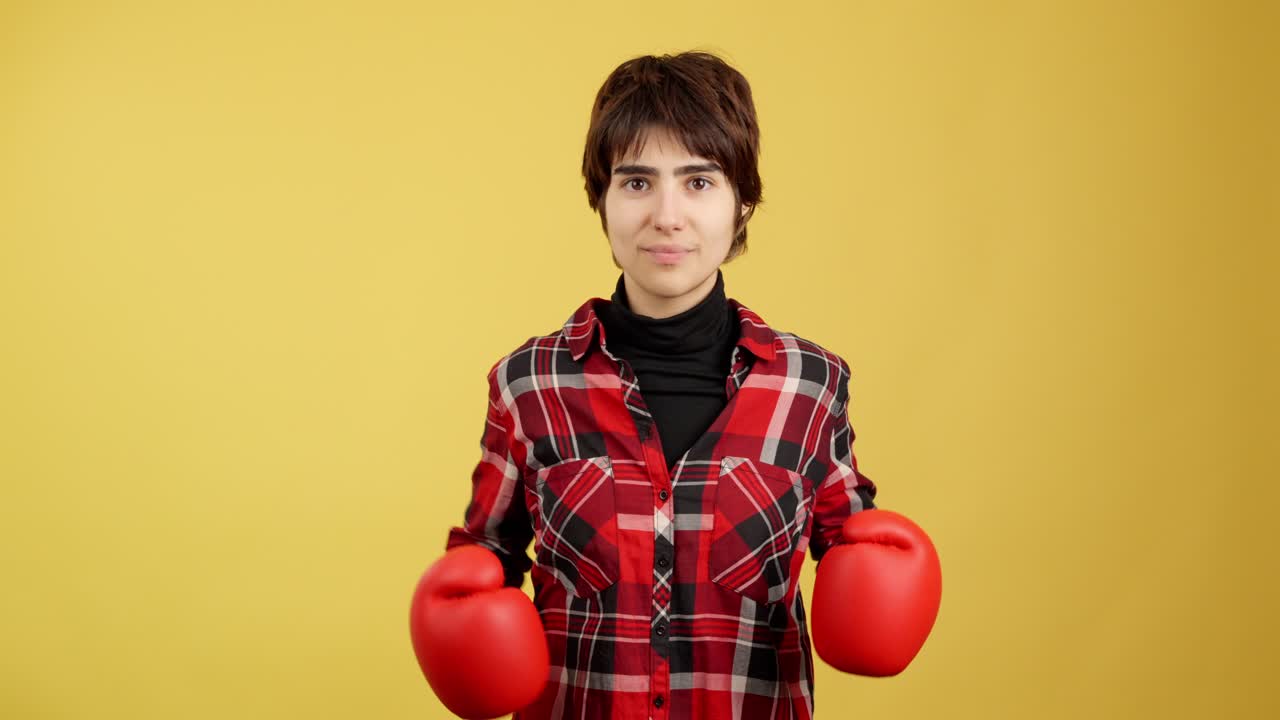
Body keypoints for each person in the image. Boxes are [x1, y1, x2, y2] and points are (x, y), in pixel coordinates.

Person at [409, 51, 941, 720]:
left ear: (742, 201)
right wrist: (462, 616)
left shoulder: (809, 386)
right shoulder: (529, 385)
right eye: (637, 182)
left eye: (698, 181)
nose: (667, 215)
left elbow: (855, 550)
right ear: (600, 198)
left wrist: (883, 586)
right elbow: (486, 560)